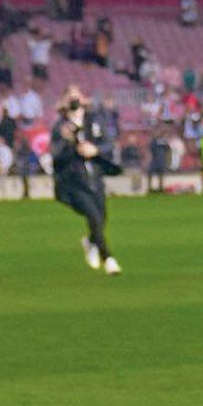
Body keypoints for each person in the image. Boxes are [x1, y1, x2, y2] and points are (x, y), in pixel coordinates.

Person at [50, 86, 121, 274]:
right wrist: (70, 145)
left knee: (101, 218)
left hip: (95, 180)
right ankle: (109, 259)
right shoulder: (60, 127)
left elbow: (108, 144)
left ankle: (91, 242)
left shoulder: (94, 122)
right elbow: (56, 156)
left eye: (77, 96)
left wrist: (95, 150)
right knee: (94, 216)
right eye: (70, 97)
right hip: (75, 182)